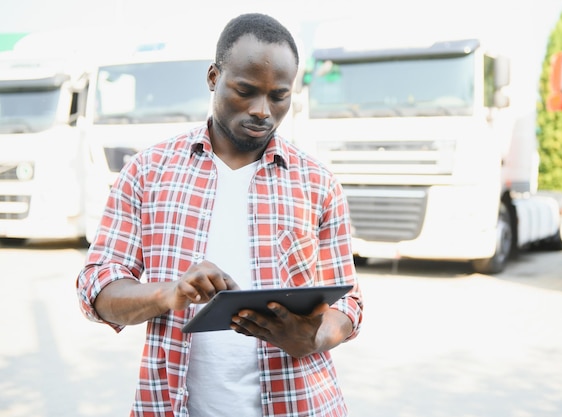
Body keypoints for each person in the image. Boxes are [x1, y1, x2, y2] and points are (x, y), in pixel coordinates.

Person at [76, 12, 363, 417]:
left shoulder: (318, 183)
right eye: (245, 90)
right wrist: (168, 293)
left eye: (278, 95)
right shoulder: (148, 172)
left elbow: (348, 301)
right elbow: (96, 291)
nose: (263, 110)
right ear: (214, 77)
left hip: (301, 405)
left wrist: (313, 338)